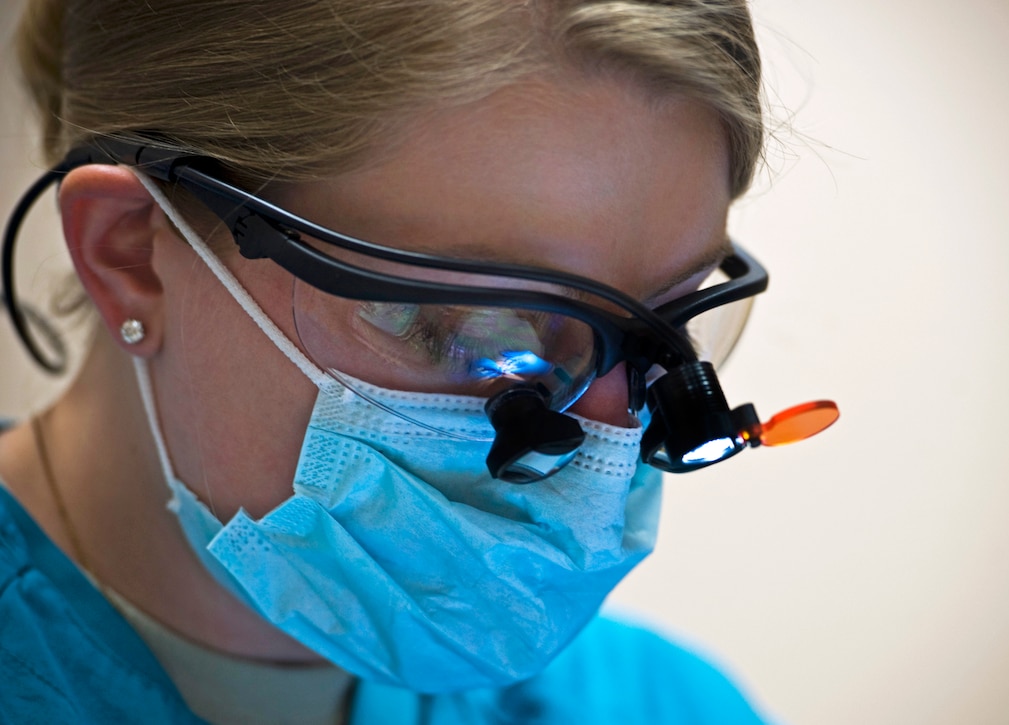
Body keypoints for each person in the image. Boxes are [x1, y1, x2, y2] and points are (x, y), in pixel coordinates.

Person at [0, 0, 835, 722]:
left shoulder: (661, 706)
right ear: (133, 255)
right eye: (471, 333)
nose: (606, 448)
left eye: (667, 328)